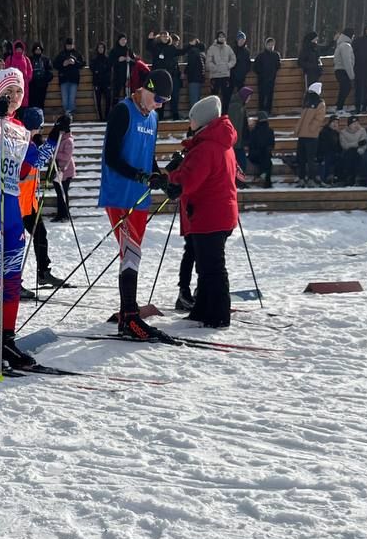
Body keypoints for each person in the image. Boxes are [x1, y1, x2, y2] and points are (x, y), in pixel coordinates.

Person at [0, 68, 64, 369]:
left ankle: (7, 341)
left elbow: (28, 166)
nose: (14, 97)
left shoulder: (20, 127)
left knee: (12, 280)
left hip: (12, 207)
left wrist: (55, 137)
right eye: (8, 92)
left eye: (18, 92)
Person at [99, 68, 174, 341]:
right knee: (131, 252)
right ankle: (130, 317)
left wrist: (162, 179)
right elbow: (111, 157)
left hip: (140, 196)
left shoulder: (153, 117)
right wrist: (141, 176)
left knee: (133, 254)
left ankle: (126, 317)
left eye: (164, 102)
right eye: (158, 98)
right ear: (145, 88)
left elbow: (148, 158)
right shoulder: (123, 110)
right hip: (120, 193)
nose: (159, 105)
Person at [167, 93, 239, 329]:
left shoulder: (207, 147)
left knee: (213, 267)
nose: (190, 123)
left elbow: (190, 180)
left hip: (210, 215)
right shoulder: (218, 143)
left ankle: (218, 314)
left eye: (192, 119)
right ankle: (203, 309)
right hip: (216, 213)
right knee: (207, 266)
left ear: (202, 121)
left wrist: (171, 177)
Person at [15, 107, 69, 292]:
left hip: (29, 204)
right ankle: (14, 283)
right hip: (16, 204)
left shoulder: (32, 143)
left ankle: (43, 272)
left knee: (40, 234)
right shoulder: (22, 144)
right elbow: (36, 161)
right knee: (17, 244)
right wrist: (55, 135)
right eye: (38, 127)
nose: (40, 131)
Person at [295, 82, 326, 186]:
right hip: (303, 135)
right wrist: (298, 130)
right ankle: (302, 178)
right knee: (301, 158)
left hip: (311, 136)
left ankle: (312, 178)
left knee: (310, 159)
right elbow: (302, 119)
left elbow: (319, 118)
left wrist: (311, 129)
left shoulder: (320, 103)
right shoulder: (307, 102)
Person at [148, 31, 184, 119]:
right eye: (163, 36)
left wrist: (190, 46)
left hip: (171, 76)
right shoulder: (156, 47)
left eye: (166, 36)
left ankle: (175, 116)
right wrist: (149, 39)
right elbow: (148, 47)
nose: (165, 38)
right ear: (160, 37)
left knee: (174, 96)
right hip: (160, 77)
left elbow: (180, 52)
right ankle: (158, 116)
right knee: (160, 96)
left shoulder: (171, 48)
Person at [54, 38, 85, 115]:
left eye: (71, 45)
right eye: (68, 45)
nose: (69, 46)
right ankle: (66, 114)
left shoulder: (77, 54)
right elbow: (55, 64)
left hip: (73, 79)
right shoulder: (61, 54)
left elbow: (82, 64)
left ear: (73, 45)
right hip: (63, 79)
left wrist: (75, 62)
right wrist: (63, 64)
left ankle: (70, 114)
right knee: (64, 100)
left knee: (71, 98)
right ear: (65, 45)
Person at [52, 121, 76, 220]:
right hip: (58, 169)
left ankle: (65, 214)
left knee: (63, 193)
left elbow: (67, 156)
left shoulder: (68, 141)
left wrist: (55, 154)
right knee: (59, 193)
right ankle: (60, 214)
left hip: (66, 170)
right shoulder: (60, 139)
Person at [207, 31, 236, 110]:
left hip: (225, 75)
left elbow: (233, 59)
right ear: (217, 38)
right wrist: (215, 68)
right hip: (215, 76)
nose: (222, 38)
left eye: (223, 37)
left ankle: (224, 113)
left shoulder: (228, 48)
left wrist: (228, 66)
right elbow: (208, 61)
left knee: (226, 96)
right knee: (214, 96)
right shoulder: (212, 48)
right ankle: (214, 113)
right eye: (220, 37)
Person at [338, 113, 367, 185]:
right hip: (348, 151)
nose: (356, 125)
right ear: (349, 125)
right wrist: (357, 144)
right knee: (349, 155)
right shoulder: (343, 132)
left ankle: (362, 178)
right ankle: (349, 177)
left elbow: (364, 142)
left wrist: (361, 148)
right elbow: (344, 145)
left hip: (360, 150)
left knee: (364, 156)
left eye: (357, 123)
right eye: (354, 123)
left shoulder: (362, 131)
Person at [227, 86, 253, 170]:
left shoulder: (240, 106)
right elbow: (234, 125)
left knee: (240, 164)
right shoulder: (236, 107)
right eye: (249, 97)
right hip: (235, 142)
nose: (249, 99)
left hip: (239, 141)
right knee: (240, 164)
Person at [253, 37, 281, 113]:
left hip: (271, 79)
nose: (271, 46)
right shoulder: (260, 56)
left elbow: (278, 65)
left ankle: (269, 111)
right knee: (261, 96)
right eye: (269, 44)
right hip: (262, 79)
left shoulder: (276, 55)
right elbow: (255, 67)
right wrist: (261, 74)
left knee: (270, 96)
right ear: (266, 45)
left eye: (272, 44)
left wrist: (273, 72)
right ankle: (261, 111)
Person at [248, 110, 275, 187]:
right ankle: (266, 179)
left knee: (264, 156)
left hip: (254, 155)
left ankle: (263, 175)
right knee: (268, 161)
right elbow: (272, 145)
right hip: (265, 155)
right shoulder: (270, 131)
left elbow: (251, 145)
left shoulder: (254, 131)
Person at [109, 36, 138, 106]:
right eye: (122, 40)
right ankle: (115, 111)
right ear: (118, 41)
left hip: (127, 76)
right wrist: (118, 60)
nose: (123, 41)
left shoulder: (129, 50)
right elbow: (109, 62)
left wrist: (130, 60)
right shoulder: (114, 50)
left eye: (125, 40)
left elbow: (135, 61)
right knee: (116, 95)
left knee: (128, 94)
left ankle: (128, 110)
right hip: (117, 76)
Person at [333, 29, 355, 111]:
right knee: (346, 88)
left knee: (344, 88)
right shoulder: (346, 46)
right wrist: (351, 75)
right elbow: (347, 61)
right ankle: (339, 107)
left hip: (339, 70)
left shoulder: (340, 44)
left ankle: (339, 107)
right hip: (343, 70)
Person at [183, 38, 207, 111]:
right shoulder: (201, 54)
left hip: (193, 78)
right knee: (197, 97)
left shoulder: (192, 52)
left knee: (193, 99)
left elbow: (191, 65)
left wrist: (185, 72)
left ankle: (193, 116)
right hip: (199, 78)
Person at [318, 114, 342, 185]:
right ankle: (325, 178)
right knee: (328, 158)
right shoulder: (324, 132)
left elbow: (338, 146)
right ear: (329, 123)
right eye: (333, 122)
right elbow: (321, 146)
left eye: (337, 123)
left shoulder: (337, 133)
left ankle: (334, 177)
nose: (335, 124)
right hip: (324, 154)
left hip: (334, 153)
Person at [91, 41, 113, 119]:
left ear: (104, 49)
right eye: (99, 47)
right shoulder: (94, 60)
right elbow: (94, 69)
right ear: (97, 49)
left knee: (108, 99)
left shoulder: (108, 59)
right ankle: (100, 117)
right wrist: (100, 70)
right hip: (97, 83)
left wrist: (100, 70)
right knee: (98, 101)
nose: (100, 49)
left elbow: (108, 69)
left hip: (106, 83)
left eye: (102, 47)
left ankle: (107, 116)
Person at [230, 31, 253, 97]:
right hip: (232, 77)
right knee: (230, 95)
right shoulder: (232, 50)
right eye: (240, 39)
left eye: (243, 40)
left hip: (241, 77)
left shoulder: (246, 51)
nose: (241, 41)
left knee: (241, 95)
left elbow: (248, 63)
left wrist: (245, 71)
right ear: (237, 40)